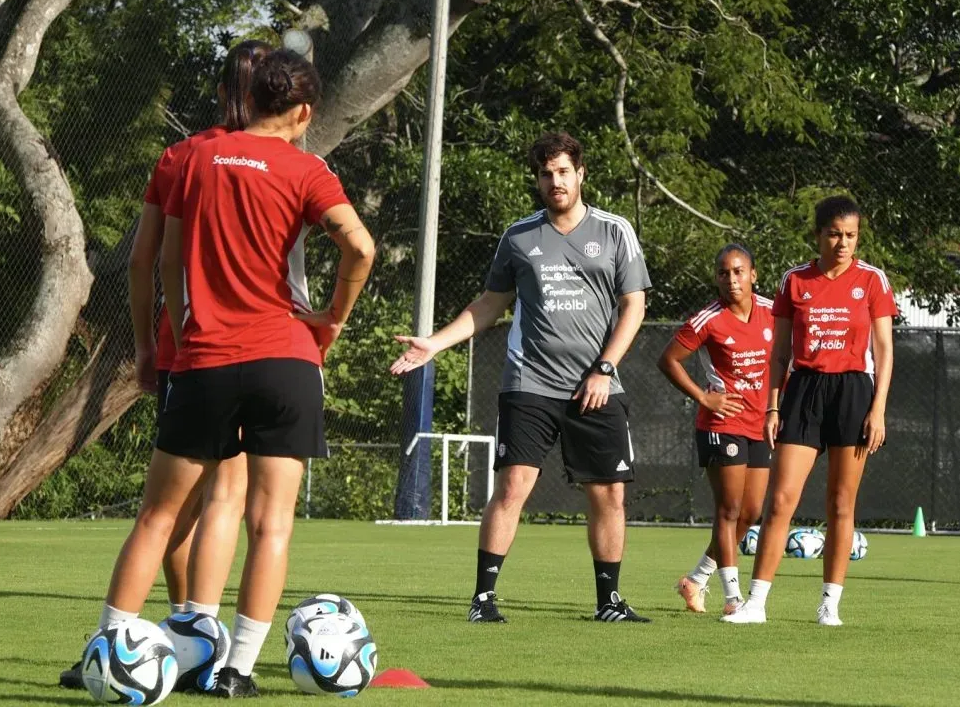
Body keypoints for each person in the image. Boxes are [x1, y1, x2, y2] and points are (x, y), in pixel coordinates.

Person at [89, 48, 375, 699]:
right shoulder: (307, 169)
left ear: (247, 100)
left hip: (206, 358)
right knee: (269, 524)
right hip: (287, 359)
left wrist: (174, 331)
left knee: (158, 518)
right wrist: (332, 315)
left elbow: (161, 259)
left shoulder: (188, 159)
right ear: (302, 112)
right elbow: (360, 246)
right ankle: (236, 671)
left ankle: (106, 654)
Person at [59, 39, 269, 690]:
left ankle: (119, 642)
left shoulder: (182, 156)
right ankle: (206, 641)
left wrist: (152, 344)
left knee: (166, 504)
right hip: (254, 350)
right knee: (224, 499)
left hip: (185, 350)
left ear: (218, 90)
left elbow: (146, 261)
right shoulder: (283, 160)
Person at [391, 131, 652, 624]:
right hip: (529, 382)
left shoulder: (615, 231)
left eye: (563, 172)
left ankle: (608, 602)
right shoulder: (518, 236)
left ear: (581, 174)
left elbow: (633, 306)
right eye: (545, 174)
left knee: (609, 494)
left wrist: (603, 368)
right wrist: (434, 343)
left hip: (597, 386)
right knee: (512, 488)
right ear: (537, 180)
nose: (555, 181)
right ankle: (483, 599)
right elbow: (489, 305)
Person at [722, 195, 895, 626]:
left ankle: (829, 605)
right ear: (818, 234)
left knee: (840, 503)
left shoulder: (873, 281)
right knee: (780, 501)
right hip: (803, 391)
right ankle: (756, 603)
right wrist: (773, 407)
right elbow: (778, 353)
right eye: (834, 234)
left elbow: (885, 352)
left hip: (854, 390)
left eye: (851, 235)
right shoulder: (793, 281)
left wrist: (878, 410)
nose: (842, 243)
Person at [658, 244, 773, 616]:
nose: (732, 279)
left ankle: (695, 580)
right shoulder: (708, 319)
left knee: (751, 513)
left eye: (739, 271)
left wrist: (775, 407)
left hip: (759, 424)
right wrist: (703, 398)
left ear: (753, 275)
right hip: (721, 425)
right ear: (716, 278)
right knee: (729, 509)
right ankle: (733, 597)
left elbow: (787, 357)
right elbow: (669, 360)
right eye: (724, 273)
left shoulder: (773, 312)